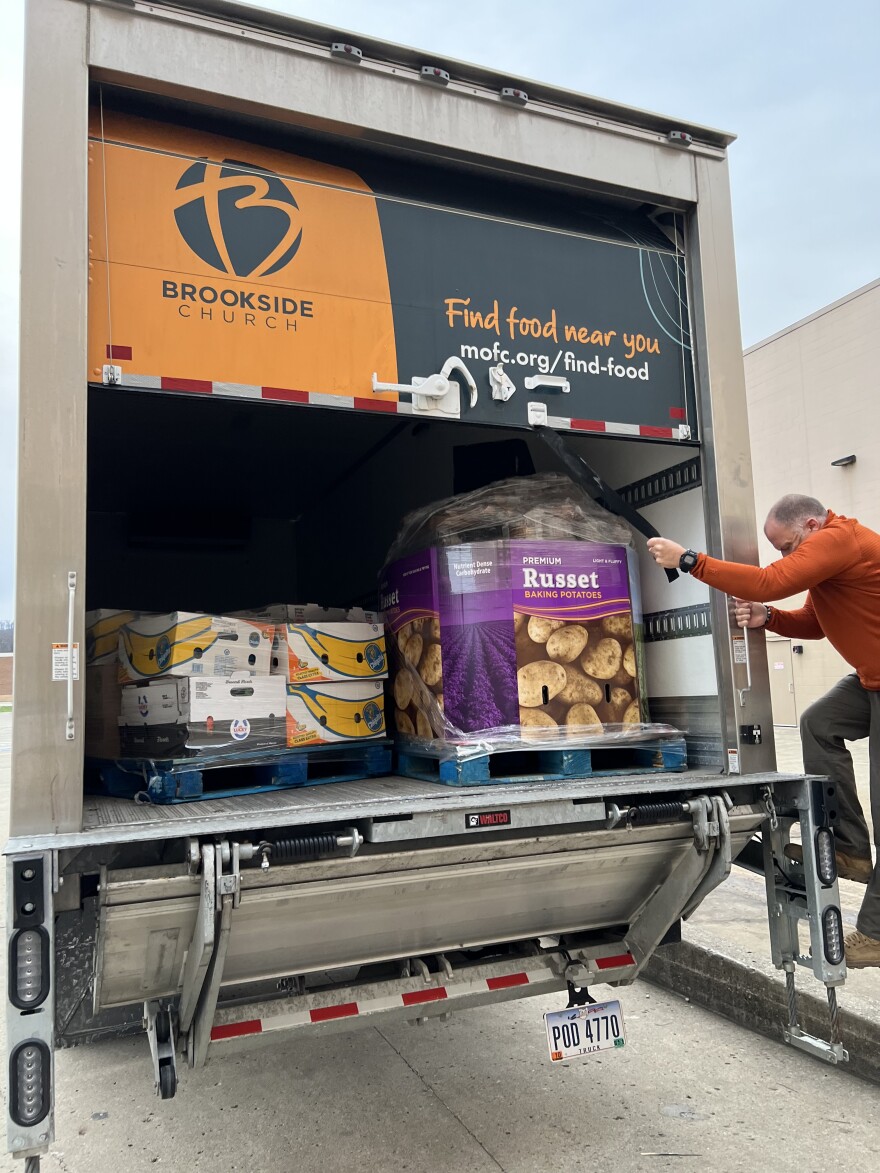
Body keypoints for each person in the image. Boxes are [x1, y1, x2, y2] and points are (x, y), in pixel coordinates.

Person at [646, 494, 880, 970]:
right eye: (779, 549)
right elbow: (816, 622)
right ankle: (852, 847)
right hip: (871, 678)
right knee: (819, 722)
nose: (784, 557)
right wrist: (767, 618)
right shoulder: (828, 559)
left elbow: (770, 583)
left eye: (788, 545)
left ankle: (877, 935)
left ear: (812, 525)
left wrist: (689, 560)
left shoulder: (842, 540)